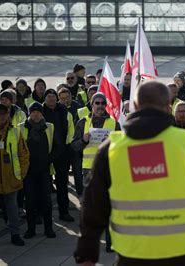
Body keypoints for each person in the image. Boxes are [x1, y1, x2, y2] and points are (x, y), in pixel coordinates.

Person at [74, 80, 185, 265]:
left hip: (134, 251)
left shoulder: (112, 148)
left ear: (135, 107)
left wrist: (86, 252)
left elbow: (93, 206)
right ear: (168, 108)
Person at [72, 92, 119, 251]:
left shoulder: (113, 123)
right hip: (89, 170)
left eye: (102, 103)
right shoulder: (83, 123)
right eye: (97, 103)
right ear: (91, 105)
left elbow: (121, 147)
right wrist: (84, 140)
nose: (100, 106)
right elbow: (74, 146)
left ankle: (110, 242)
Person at [18, 102, 56, 239]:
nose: (36, 114)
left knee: (46, 200)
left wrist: (49, 159)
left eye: (38, 112)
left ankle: (48, 228)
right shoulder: (21, 127)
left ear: (42, 113)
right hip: (28, 172)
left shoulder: (49, 127)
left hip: (44, 170)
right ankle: (31, 229)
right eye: (33, 112)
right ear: (29, 113)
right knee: (30, 201)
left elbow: (56, 146)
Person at [0, 103, 29, 246]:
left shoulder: (15, 132)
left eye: (3, 114)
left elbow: (24, 155)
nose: (1, 117)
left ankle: (15, 234)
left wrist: (21, 174)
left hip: (12, 178)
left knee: (12, 208)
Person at [42, 88, 75, 222]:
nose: (51, 99)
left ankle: (64, 212)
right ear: (45, 98)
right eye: (48, 96)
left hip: (61, 153)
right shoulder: (40, 112)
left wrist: (66, 148)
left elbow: (70, 132)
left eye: (53, 96)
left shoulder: (64, 112)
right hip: (44, 154)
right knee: (43, 186)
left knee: (62, 185)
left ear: (57, 98)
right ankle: (41, 214)